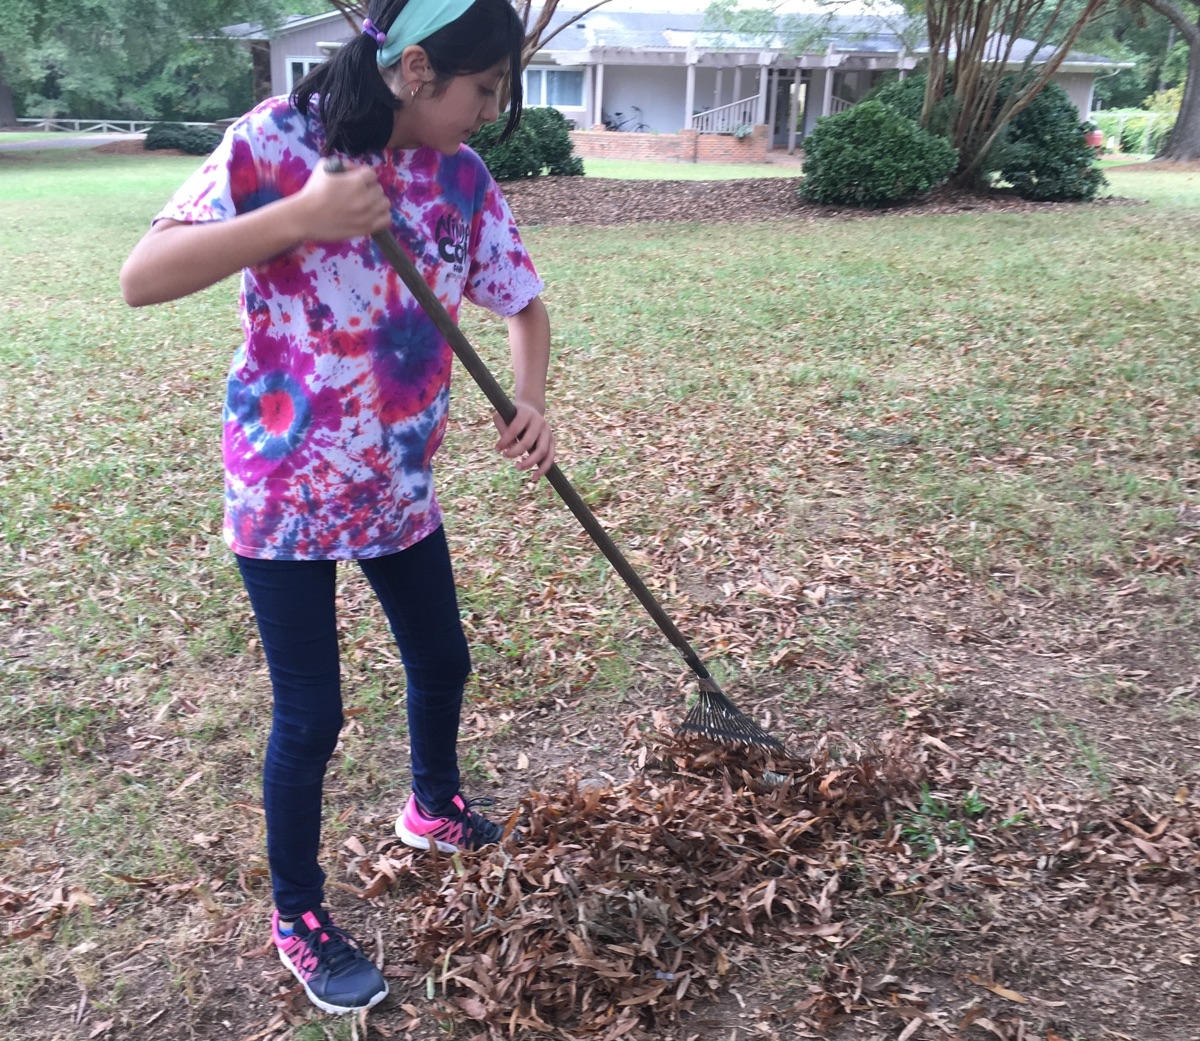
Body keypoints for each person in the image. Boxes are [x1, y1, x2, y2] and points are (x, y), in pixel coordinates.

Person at [120, 0, 554, 1017]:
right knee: (312, 715)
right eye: (482, 89)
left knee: (444, 658)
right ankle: (299, 915)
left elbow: (525, 304)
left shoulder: (460, 178)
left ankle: (433, 806)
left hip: (397, 483)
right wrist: (297, 217)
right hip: (283, 490)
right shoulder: (279, 140)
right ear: (414, 70)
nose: (490, 112)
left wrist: (532, 403)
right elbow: (142, 278)